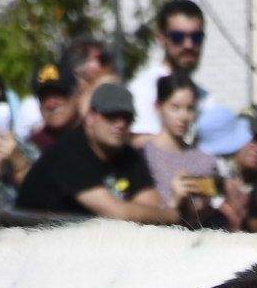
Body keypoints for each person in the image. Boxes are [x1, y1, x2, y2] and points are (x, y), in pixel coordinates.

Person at [14, 82, 169, 223]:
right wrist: (175, 216)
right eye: (111, 115)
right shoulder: (69, 153)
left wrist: (159, 214)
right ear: (90, 118)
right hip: (32, 243)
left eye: (127, 118)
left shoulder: (129, 156)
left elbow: (152, 206)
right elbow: (116, 213)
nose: (120, 124)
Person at [140, 73, 227, 223]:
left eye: (190, 108)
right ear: (158, 107)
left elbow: (212, 207)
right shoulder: (142, 157)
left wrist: (204, 203)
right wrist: (174, 202)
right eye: (175, 107)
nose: (183, 116)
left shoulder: (205, 160)